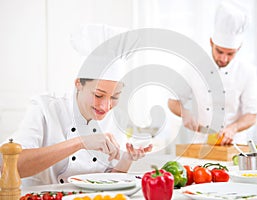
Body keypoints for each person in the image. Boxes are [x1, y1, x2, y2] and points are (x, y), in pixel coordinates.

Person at [0, 25, 152, 186]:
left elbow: (108, 182)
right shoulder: (45, 107)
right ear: (78, 83)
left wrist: (127, 159)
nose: (106, 106)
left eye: (115, 97)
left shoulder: (117, 119)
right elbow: (7, 165)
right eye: (98, 95)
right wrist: (81, 142)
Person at [168, 1, 257, 145]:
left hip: (234, 145)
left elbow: (252, 115)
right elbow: (173, 101)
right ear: (211, 42)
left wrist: (233, 128)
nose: (223, 58)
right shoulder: (194, 67)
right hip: (200, 143)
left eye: (230, 54)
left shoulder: (247, 72)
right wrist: (185, 113)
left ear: (239, 48)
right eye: (219, 51)